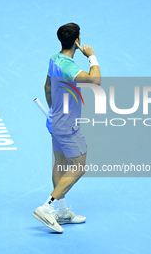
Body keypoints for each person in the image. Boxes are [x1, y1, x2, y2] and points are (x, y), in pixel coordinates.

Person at [32, 23, 101, 233]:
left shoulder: (54, 59)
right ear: (77, 39)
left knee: (61, 164)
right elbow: (95, 80)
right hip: (69, 126)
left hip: (54, 121)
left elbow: (47, 87)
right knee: (79, 166)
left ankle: (61, 212)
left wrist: (54, 110)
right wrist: (91, 56)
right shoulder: (69, 66)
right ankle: (47, 207)